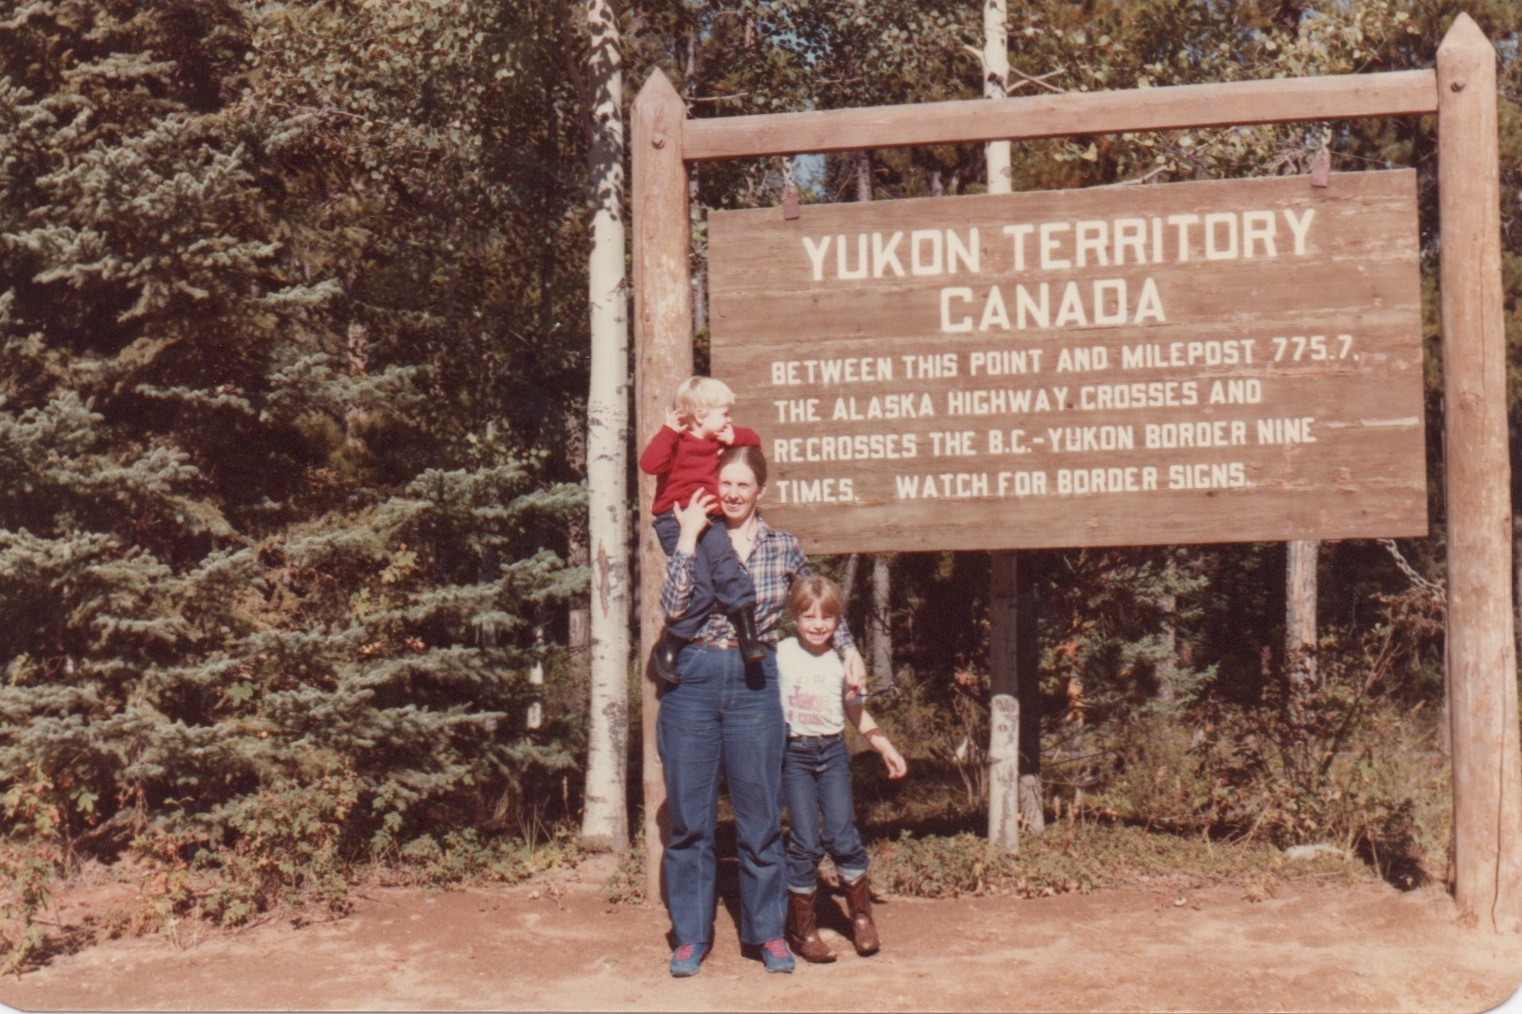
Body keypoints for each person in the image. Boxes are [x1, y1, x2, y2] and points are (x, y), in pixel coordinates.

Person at [657, 443, 865, 977]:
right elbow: (674, 607)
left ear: (760, 491)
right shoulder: (698, 535)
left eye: (743, 485)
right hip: (693, 675)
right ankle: (689, 936)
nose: (731, 493)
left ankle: (769, 932)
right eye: (724, 483)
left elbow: (815, 604)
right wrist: (685, 536)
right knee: (689, 820)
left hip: (755, 680)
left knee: (759, 817)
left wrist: (848, 647)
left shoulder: (783, 546)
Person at [777, 574, 907, 964]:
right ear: (794, 618)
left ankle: (862, 918)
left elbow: (857, 712)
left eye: (826, 618)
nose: (817, 625)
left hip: (832, 753)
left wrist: (885, 746)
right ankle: (802, 929)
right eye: (808, 616)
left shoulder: (844, 661)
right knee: (805, 843)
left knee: (842, 836)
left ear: (838, 621)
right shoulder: (780, 653)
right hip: (794, 755)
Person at [639, 376, 764, 682]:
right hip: (674, 520)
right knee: (703, 588)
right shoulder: (675, 442)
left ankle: (748, 634)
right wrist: (668, 431)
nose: (728, 419)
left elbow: (754, 442)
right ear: (699, 415)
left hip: (711, 519)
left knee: (728, 569)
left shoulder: (719, 441)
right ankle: (670, 644)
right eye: (723, 413)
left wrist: (732, 435)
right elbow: (649, 464)